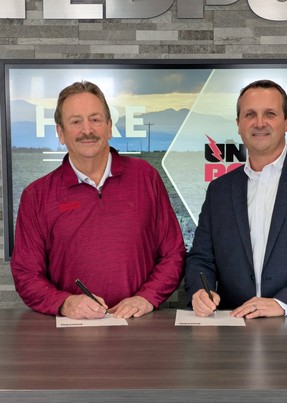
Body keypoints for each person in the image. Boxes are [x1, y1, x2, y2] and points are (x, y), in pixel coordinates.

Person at [11, 81, 186, 319]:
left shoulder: (146, 177)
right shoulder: (36, 195)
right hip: (72, 331)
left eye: (95, 119)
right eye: (75, 121)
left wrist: (147, 297)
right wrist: (65, 303)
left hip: (140, 325)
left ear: (109, 127)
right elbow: (26, 274)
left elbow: (173, 253)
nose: (87, 130)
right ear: (61, 133)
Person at [185, 79, 287, 318]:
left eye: (270, 114)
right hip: (235, 323)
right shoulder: (219, 189)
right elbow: (201, 257)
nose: (259, 123)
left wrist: (283, 302)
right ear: (238, 124)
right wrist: (200, 292)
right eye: (250, 114)